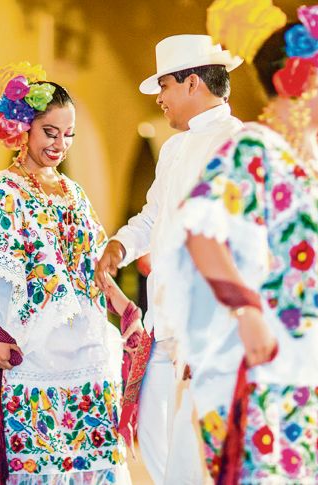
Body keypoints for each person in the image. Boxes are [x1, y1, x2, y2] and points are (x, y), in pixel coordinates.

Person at [152, 2, 318, 482]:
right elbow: (201, 233)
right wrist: (246, 309)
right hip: (276, 367)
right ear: (298, 73)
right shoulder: (255, 148)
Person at [0, 62, 131, 485]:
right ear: (23, 129)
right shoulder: (4, 193)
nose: (60, 144)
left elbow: (93, 263)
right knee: (36, 462)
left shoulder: (73, 192)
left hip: (86, 350)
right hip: (32, 349)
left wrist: (123, 306)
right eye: (50, 132)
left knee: (93, 460)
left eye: (68, 134)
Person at [94, 33, 243, 484]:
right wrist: (121, 245)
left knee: (197, 439)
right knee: (149, 434)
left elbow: (233, 237)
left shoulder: (237, 143)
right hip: (162, 316)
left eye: (164, 87)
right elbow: (154, 214)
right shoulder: (176, 147)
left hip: (207, 320)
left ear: (192, 83)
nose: (159, 98)